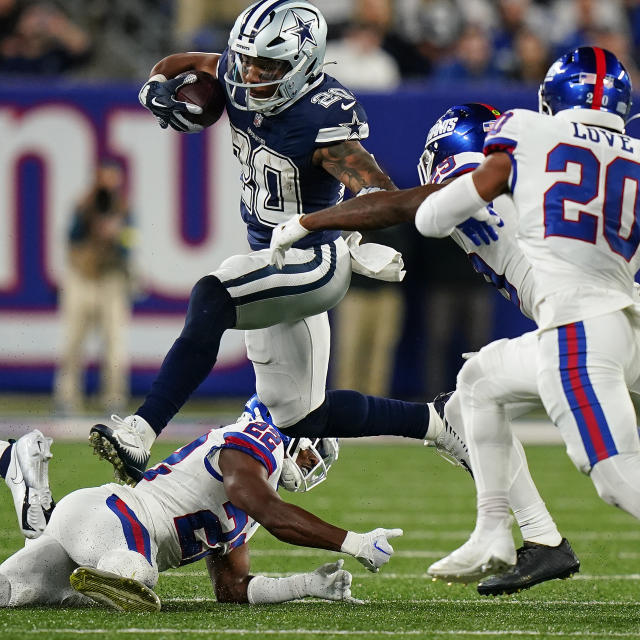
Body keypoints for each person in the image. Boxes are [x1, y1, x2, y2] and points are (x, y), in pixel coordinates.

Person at [271, 56, 640, 634]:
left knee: (535, 423)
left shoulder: (509, 159)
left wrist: (313, 222)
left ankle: (522, 535)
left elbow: (409, 208)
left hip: (583, 327)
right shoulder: (610, 158)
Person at [90, 0, 468, 486]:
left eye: (267, 64)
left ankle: (140, 430)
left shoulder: (321, 117)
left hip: (314, 260)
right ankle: (437, 422)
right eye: (246, 59)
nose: (251, 73)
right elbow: (177, 65)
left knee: (214, 294)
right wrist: (156, 90)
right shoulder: (239, 69)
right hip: (272, 258)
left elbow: (384, 196)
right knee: (300, 418)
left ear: (303, 63)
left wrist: (318, 222)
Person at [0, 396, 403, 610]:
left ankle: (46, 529)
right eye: (311, 456)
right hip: (115, 517)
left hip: (92, 525)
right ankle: (35, 500)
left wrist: (306, 585)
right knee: (137, 575)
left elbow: (231, 589)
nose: (311, 467)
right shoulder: (258, 439)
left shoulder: (252, 495)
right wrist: (354, 542)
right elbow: (273, 513)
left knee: (12, 591)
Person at [54, 160, 135, 416]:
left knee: (114, 341)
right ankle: (67, 398)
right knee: (73, 340)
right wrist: (89, 218)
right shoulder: (83, 205)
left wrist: (117, 234)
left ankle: (113, 398)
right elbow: (72, 238)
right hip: (82, 277)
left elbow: (129, 244)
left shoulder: (123, 209)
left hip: (111, 279)